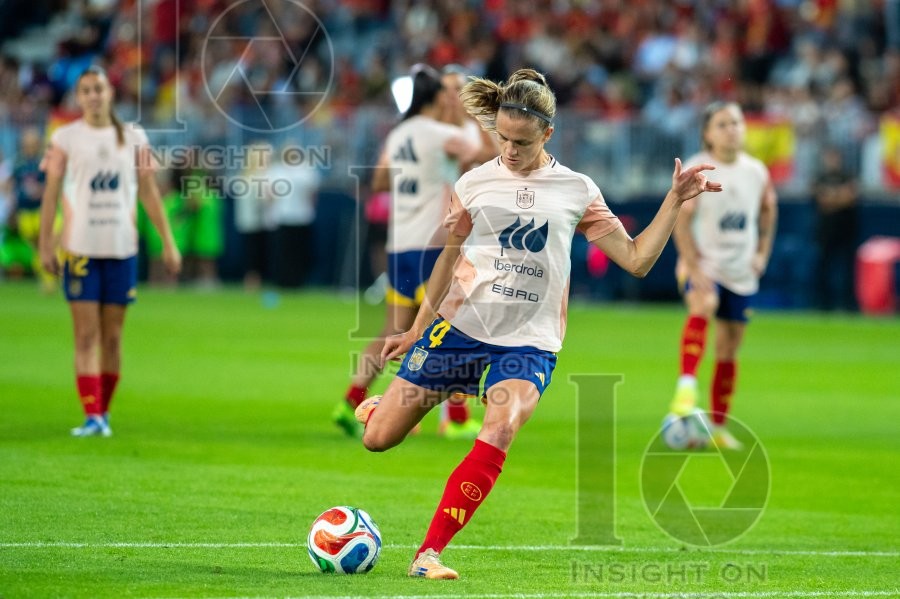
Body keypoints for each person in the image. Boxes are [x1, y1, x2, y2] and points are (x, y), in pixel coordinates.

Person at [353, 68, 721, 579]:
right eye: (501, 137)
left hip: (529, 343)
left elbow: (636, 260)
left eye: (521, 141)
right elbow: (446, 259)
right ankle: (381, 408)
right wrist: (417, 328)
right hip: (459, 331)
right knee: (378, 440)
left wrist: (675, 201)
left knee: (500, 426)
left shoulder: (576, 190)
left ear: (548, 133)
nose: (508, 149)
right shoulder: (475, 181)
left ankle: (428, 553)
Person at [334, 64, 489, 439]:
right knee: (449, 326)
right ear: (439, 98)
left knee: (394, 328)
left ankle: (350, 400)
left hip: (398, 242)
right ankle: (450, 416)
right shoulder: (442, 134)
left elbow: (380, 180)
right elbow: (490, 150)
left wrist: (423, 173)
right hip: (430, 244)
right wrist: (471, 117)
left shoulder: (399, 133)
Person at [38, 65, 182, 437]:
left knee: (113, 337)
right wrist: (45, 244)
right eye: (86, 90)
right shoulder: (65, 138)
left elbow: (149, 192)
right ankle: (93, 415)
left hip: (122, 247)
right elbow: (50, 194)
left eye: (98, 89)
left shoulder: (133, 137)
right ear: (78, 96)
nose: (93, 96)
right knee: (85, 336)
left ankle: (104, 411)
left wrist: (167, 241)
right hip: (80, 248)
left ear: (110, 94)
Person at [668, 101, 778, 450]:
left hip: (740, 268)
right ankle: (686, 388)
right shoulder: (701, 168)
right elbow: (680, 220)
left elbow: (768, 209)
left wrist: (762, 253)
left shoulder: (756, 171)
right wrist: (692, 263)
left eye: (737, 122)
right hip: (704, 264)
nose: (733, 129)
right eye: (723, 124)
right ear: (708, 134)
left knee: (730, 347)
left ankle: (718, 427)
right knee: (704, 302)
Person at [812, 146, 858, 311]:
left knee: (848, 270)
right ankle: (824, 306)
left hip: (846, 231)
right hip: (826, 233)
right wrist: (839, 196)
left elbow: (850, 196)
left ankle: (848, 306)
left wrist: (832, 196)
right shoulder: (820, 177)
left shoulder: (848, 175)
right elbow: (821, 200)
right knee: (823, 269)